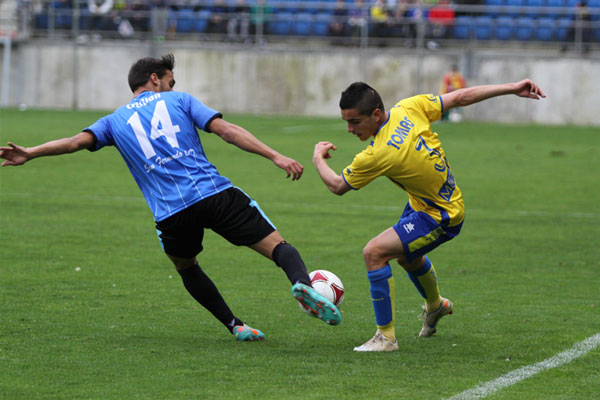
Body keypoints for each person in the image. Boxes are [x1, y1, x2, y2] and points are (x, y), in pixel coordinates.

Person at [0, 54, 341, 342]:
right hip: (214, 193)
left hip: (171, 213)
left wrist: (30, 152)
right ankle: (300, 283)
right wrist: (275, 156)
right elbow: (227, 131)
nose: (173, 86)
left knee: (186, 266)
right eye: (170, 80)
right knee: (278, 247)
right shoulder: (180, 100)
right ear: (155, 79)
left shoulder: (113, 120)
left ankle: (235, 326)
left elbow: (74, 142)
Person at [312, 79, 545, 351]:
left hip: (440, 215)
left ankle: (385, 338)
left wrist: (317, 157)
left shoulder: (379, 153)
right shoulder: (408, 107)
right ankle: (436, 306)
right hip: (427, 202)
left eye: (355, 122)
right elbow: (460, 97)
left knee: (374, 253)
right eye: (346, 122)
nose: (349, 129)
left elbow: (337, 186)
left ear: (376, 114)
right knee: (406, 257)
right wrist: (511, 87)